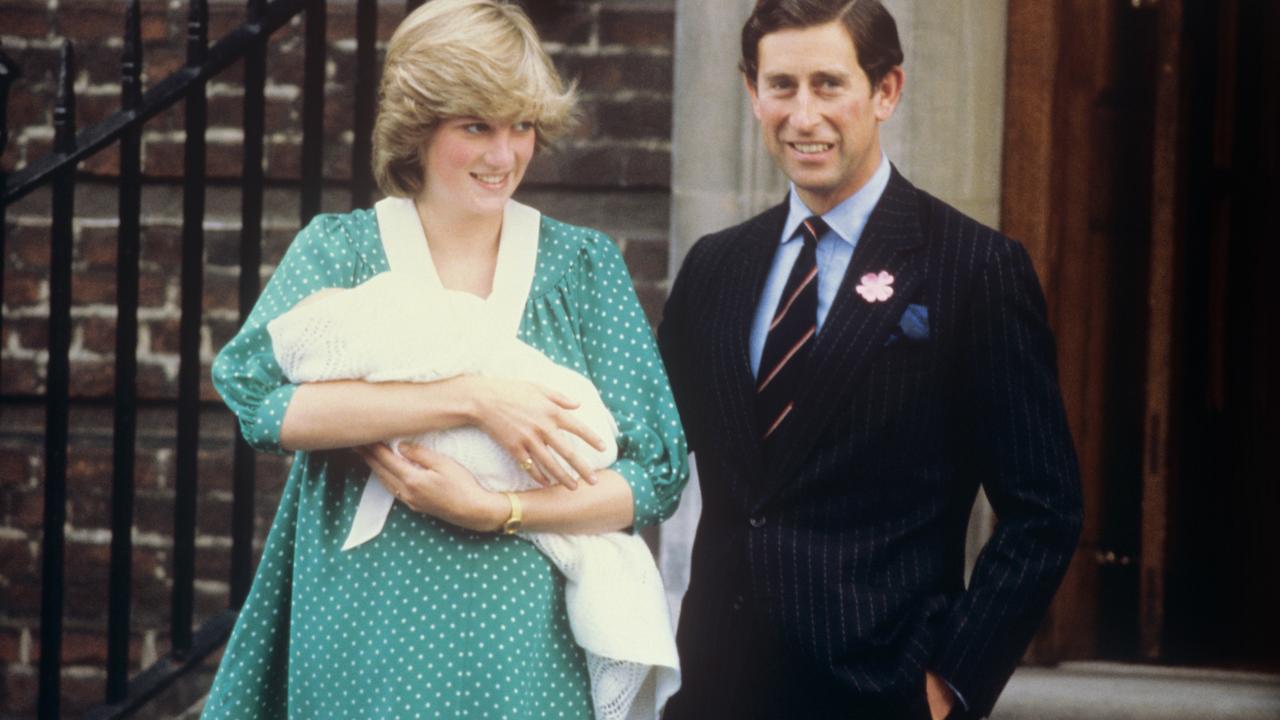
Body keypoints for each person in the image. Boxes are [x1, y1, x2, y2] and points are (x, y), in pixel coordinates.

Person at [200, 1, 687, 718]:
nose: (504, 155)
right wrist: (473, 398)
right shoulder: (343, 252)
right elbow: (257, 400)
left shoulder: (581, 267)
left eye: (521, 126)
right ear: (417, 126)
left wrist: (499, 510)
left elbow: (657, 475)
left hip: (524, 647)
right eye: (475, 127)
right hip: (365, 628)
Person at [657, 1, 1082, 718]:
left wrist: (950, 684)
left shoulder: (974, 269)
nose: (802, 114)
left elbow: (1045, 510)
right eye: (781, 85)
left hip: (880, 692)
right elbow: (651, 448)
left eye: (829, 84)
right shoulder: (715, 268)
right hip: (717, 690)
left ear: (886, 91)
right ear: (751, 92)